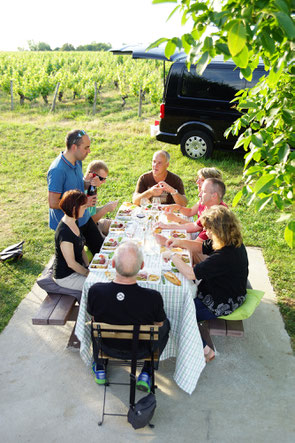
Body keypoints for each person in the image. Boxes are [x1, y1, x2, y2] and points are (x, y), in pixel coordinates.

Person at [162, 205, 249, 362]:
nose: (206, 232)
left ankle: (206, 350)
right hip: (225, 291)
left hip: (221, 301)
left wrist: (173, 256)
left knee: (177, 313)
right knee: (177, 303)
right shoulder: (228, 241)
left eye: (209, 229)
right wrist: (179, 242)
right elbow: (201, 247)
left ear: (219, 230)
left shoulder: (224, 256)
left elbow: (190, 273)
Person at [87, 241, 170, 392]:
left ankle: (100, 367)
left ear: (112, 263)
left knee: (95, 324)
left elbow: (93, 318)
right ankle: (146, 371)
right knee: (165, 324)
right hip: (141, 350)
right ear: (142, 266)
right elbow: (158, 324)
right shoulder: (153, 297)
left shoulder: (95, 291)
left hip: (107, 347)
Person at [47, 129, 104, 255]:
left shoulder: (77, 162)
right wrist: (83, 202)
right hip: (69, 224)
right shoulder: (57, 170)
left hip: (83, 217)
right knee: (77, 263)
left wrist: (88, 183)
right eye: (86, 148)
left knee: (102, 251)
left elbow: (76, 186)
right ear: (74, 147)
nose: (89, 151)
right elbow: (53, 203)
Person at [156, 178, 227, 263]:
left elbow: (197, 246)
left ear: (214, 196)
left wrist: (168, 241)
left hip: (216, 259)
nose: (199, 195)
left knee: (178, 256)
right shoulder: (209, 207)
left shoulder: (218, 215)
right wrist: (166, 227)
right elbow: (194, 226)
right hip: (206, 249)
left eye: (203, 191)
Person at [53, 190, 90, 295]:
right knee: (96, 287)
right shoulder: (64, 233)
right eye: (84, 207)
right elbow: (71, 263)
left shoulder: (74, 221)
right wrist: (87, 273)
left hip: (78, 270)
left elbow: (82, 248)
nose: (86, 209)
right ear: (74, 209)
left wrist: (88, 266)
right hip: (66, 277)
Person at [84, 160, 119, 236]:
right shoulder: (83, 192)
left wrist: (106, 206)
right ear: (90, 175)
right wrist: (105, 209)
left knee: (121, 225)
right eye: (101, 178)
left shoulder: (92, 187)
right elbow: (89, 222)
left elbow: (91, 212)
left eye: (105, 178)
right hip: (86, 231)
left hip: (96, 223)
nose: (104, 181)